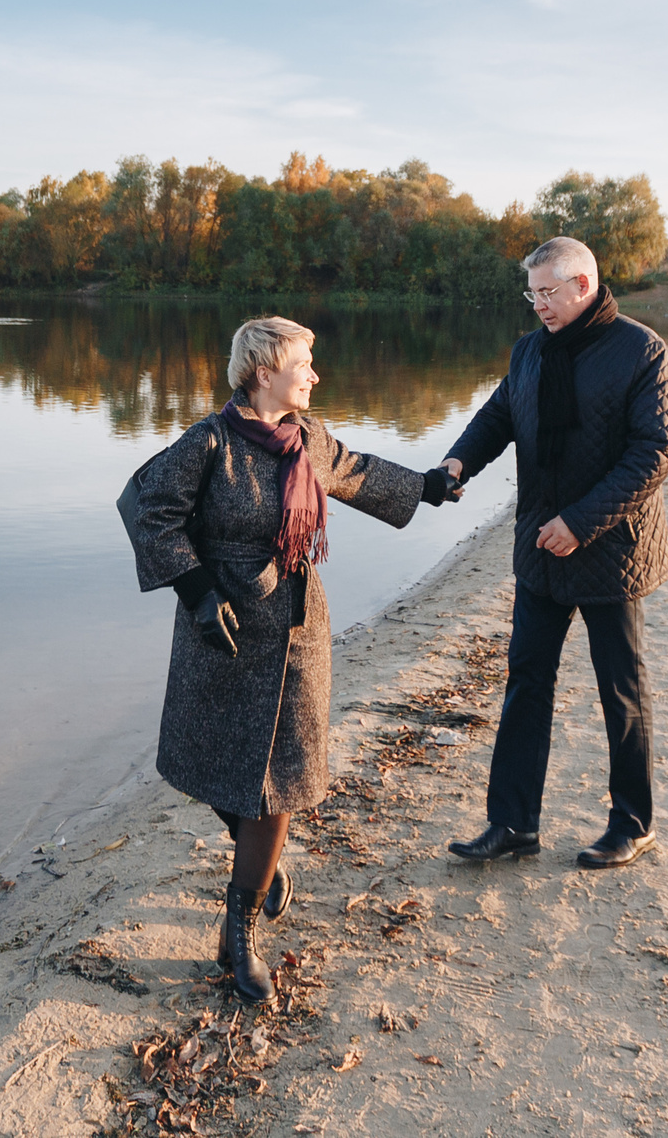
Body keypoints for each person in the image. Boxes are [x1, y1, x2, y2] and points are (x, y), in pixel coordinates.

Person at [127, 315, 463, 1001]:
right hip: (220, 630)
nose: (314, 374)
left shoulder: (307, 438)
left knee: (281, 777)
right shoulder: (209, 442)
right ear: (263, 370)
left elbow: (359, 473)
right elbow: (147, 505)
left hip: (298, 630)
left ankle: (241, 925)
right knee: (210, 762)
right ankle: (266, 865)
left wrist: (427, 485)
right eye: (304, 363)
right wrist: (194, 588)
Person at [441, 235, 668, 870]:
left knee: (619, 690)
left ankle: (632, 823)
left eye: (548, 293)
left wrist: (580, 522)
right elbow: (497, 418)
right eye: (532, 293)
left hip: (611, 549)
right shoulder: (529, 350)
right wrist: (457, 461)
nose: (538, 305)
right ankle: (513, 823)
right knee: (526, 682)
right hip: (540, 551)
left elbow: (654, 453)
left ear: (583, 285)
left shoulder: (640, 350)